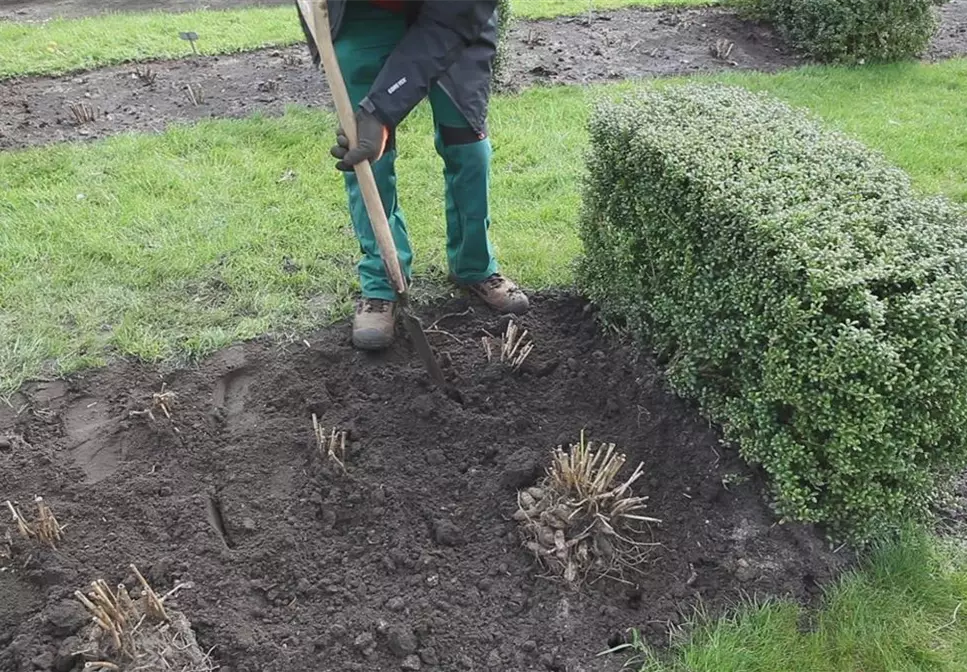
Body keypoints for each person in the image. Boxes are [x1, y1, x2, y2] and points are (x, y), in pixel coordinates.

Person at [296, 0, 529, 351]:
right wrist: (374, 119)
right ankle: (382, 281)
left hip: (455, 14)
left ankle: (474, 264)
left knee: (468, 145)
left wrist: (382, 109)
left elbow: (453, 19)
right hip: (364, 11)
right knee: (366, 149)